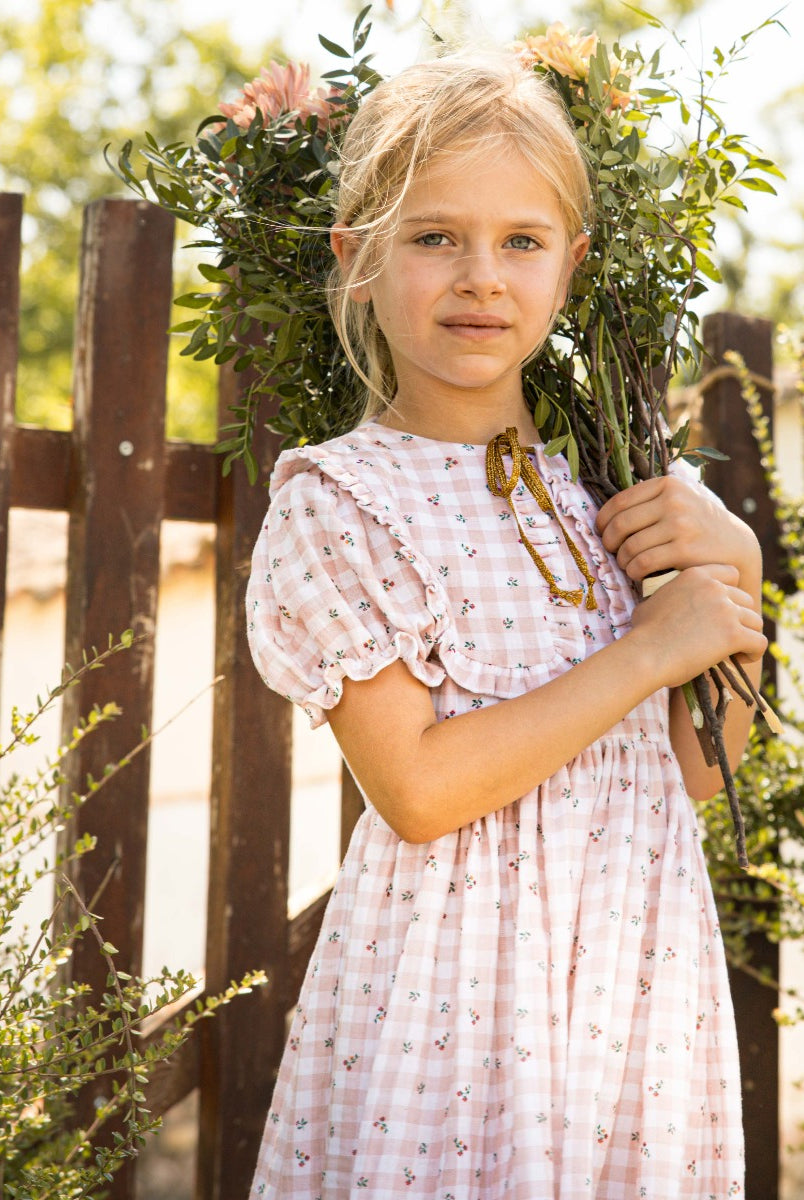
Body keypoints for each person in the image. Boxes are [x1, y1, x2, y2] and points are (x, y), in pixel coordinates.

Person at [246, 51, 765, 1199]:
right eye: (434, 237)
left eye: (521, 240)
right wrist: (649, 651)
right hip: (460, 1001)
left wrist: (738, 577)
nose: (481, 276)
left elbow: (692, 772)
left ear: (570, 266)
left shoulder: (612, 494)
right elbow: (419, 791)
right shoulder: (344, 502)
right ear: (358, 259)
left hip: (633, 972)